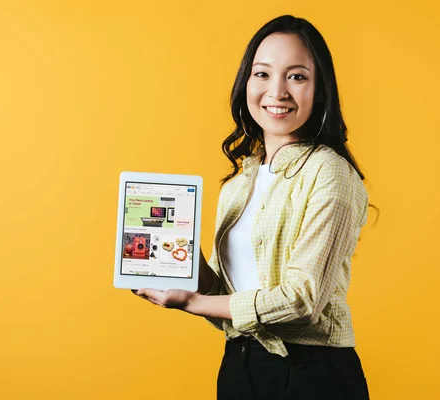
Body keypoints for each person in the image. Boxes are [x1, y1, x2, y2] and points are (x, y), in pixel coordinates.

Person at [134, 15, 374, 400]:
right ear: (246, 83)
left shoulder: (330, 173)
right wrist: (183, 267)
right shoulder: (240, 181)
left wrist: (193, 302)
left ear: (321, 90)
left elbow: (301, 301)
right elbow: (231, 296)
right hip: (240, 366)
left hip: (312, 375)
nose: (276, 91)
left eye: (296, 77)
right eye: (262, 74)